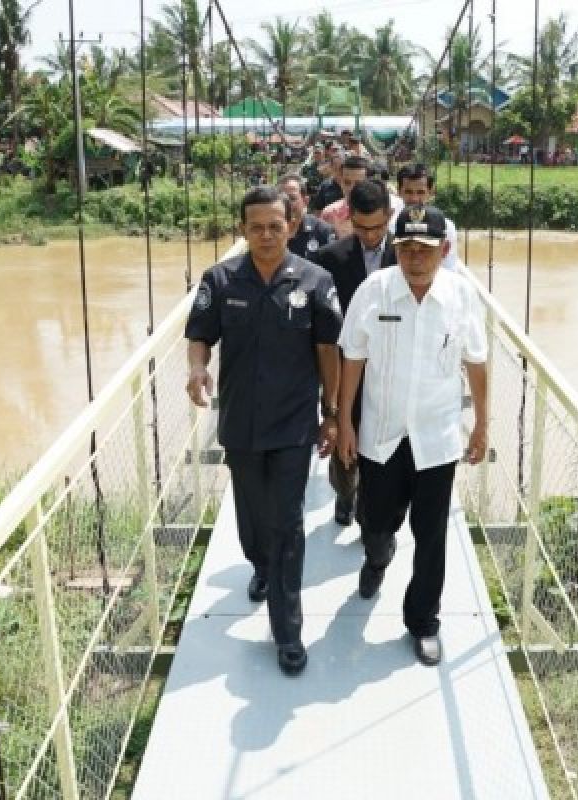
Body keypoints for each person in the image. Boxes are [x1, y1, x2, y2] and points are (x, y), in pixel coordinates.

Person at [184, 186, 343, 676]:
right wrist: (196, 369)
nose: (267, 235)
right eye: (257, 227)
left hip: (294, 424)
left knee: (288, 523)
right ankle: (260, 565)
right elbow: (199, 336)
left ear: (292, 226)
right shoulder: (221, 278)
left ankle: (288, 631)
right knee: (253, 519)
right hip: (240, 422)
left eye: (276, 225)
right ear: (243, 230)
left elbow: (328, 352)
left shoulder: (316, 281)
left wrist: (331, 412)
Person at [336, 204, 488, 667]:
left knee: (431, 535)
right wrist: (344, 421)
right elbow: (352, 359)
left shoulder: (462, 297)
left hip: (436, 438)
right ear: (395, 249)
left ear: (444, 250)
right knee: (376, 522)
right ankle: (376, 559)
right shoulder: (374, 292)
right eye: (406, 248)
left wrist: (482, 423)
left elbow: (476, 362)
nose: (415, 257)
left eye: (425, 248)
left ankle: (423, 621)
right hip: (381, 433)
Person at [311, 179, 397, 527]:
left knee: (386, 443)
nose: (369, 235)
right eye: (360, 227)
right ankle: (345, 494)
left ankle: (372, 513)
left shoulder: (409, 255)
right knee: (344, 437)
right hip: (344, 367)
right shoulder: (329, 259)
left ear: (390, 216)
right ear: (349, 218)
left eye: (376, 227)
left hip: (393, 367)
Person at [395, 163, 460, 271]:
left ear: (431, 192)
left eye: (420, 192)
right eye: (408, 192)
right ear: (399, 191)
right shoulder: (390, 226)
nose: (414, 199)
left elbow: (449, 269)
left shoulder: (447, 227)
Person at [277, 173, 335, 258]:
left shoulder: (322, 231)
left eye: (292, 198)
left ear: (305, 201)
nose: (286, 204)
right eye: (282, 199)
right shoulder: (270, 232)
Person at [319, 155, 371, 239]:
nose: (352, 188)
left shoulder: (379, 213)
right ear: (341, 182)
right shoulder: (329, 214)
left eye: (358, 184)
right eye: (347, 182)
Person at [308, 145, 345, 214]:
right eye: (336, 168)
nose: (339, 171)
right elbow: (318, 210)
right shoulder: (325, 186)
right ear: (331, 167)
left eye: (341, 168)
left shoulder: (353, 184)